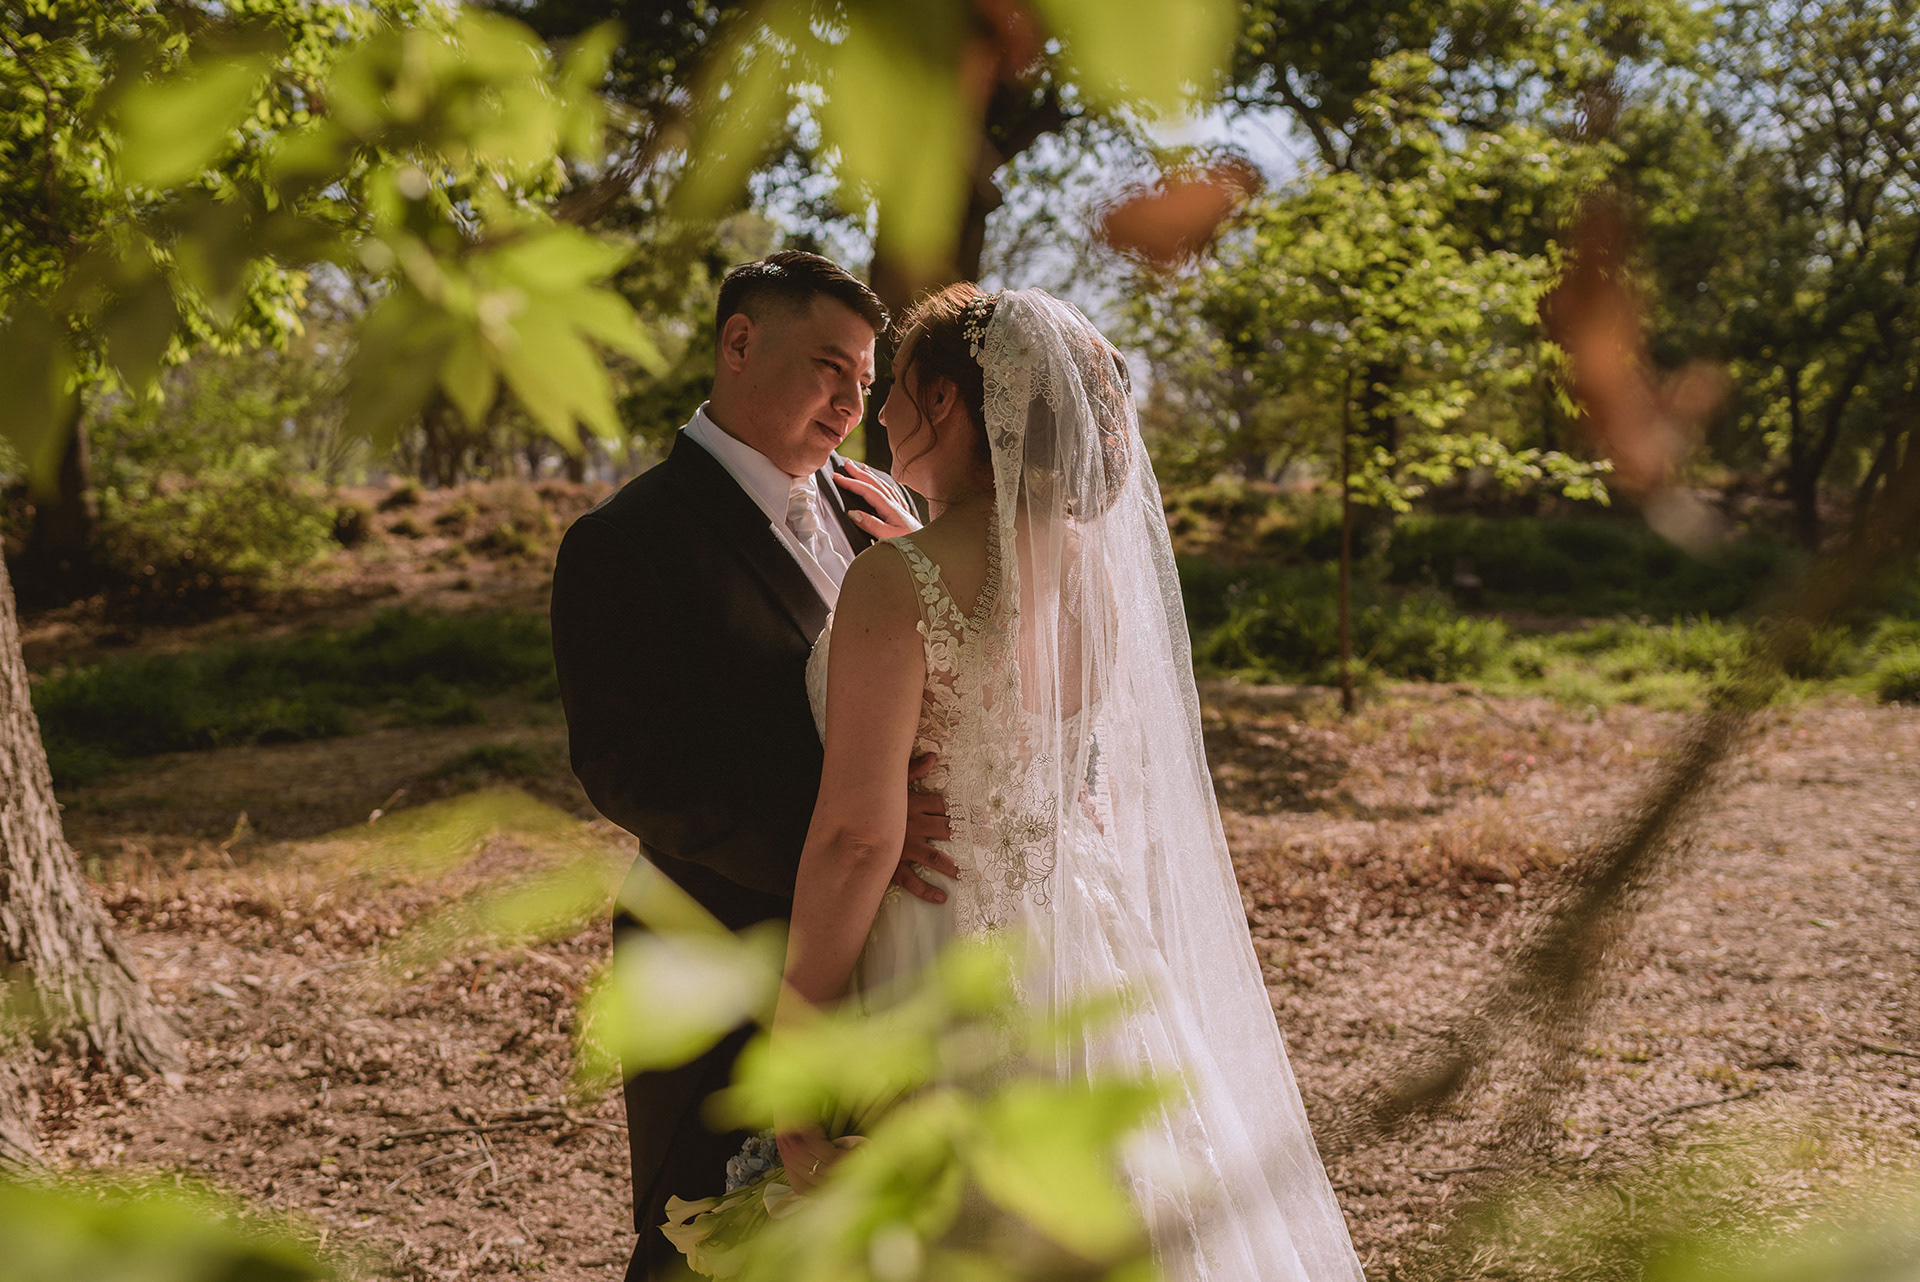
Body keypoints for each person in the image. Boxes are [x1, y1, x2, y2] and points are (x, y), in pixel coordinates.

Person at [757, 285, 1367, 1279]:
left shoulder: (895, 582)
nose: (879, 413)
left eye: (897, 386)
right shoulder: (1091, 572)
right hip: (1081, 929)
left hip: (941, 935)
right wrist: (922, 531)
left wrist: (793, 1060)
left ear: (946, 402)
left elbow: (858, 838)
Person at [548, 251, 955, 1282]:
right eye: (828, 366)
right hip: (724, 944)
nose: (851, 402)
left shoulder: (877, 503)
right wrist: (849, 851)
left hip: (893, 952)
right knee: (709, 1240)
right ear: (739, 342)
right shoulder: (625, 541)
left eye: (865, 380)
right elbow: (628, 769)